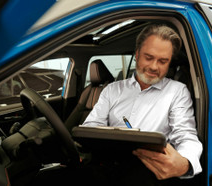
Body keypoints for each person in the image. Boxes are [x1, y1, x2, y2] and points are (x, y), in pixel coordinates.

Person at [82, 24, 203, 184]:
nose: (154, 67)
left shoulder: (177, 91)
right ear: (137, 54)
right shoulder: (112, 90)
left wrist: (185, 163)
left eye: (163, 61)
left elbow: (186, 135)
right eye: (149, 57)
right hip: (107, 165)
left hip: (149, 171)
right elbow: (91, 126)